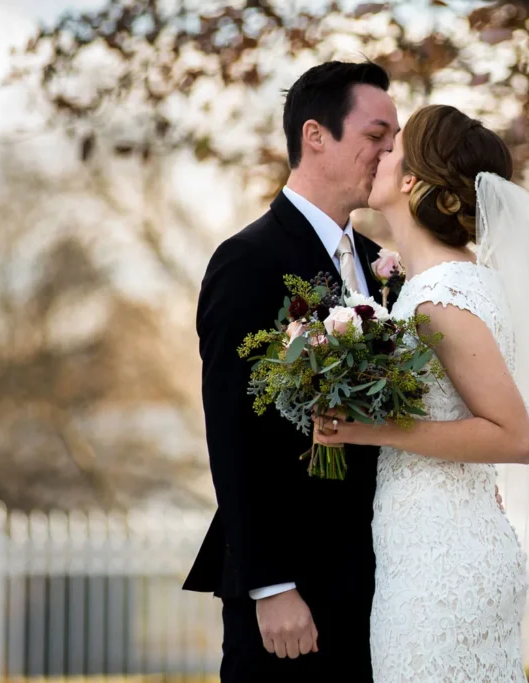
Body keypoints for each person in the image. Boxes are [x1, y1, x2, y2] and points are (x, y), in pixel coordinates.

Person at [314, 104, 529, 683]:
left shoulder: (442, 295)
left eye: (394, 147)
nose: (380, 152)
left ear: (413, 181)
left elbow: (513, 436)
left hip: (442, 567)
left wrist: (364, 429)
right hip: (430, 546)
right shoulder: (439, 283)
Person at [182, 61, 399, 682]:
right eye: (375, 135)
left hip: (380, 580)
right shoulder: (249, 260)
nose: (389, 153)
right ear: (315, 136)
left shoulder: (383, 265)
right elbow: (232, 432)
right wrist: (270, 584)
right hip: (293, 592)